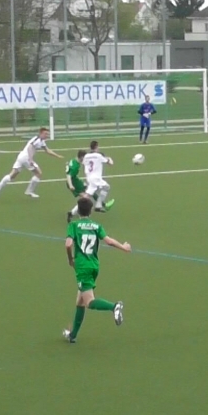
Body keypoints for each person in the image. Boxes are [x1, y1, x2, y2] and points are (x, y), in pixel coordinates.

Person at [62, 196, 132, 344]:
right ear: (91, 211)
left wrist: (70, 259)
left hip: (83, 267)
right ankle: (73, 335)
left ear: (78, 210)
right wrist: (124, 247)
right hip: (94, 265)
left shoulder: (73, 226)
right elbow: (109, 241)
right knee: (80, 301)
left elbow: (68, 244)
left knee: (89, 301)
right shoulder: (96, 226)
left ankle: (114, 307)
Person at [0, 127, 62, 200]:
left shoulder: (42, 141)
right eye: (45, 134)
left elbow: (47, 150)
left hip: (21, 157)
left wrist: (57, 156)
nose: (47, 135)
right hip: (26, 158)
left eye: (47, 134)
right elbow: (30, 147)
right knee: (39, 173)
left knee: (12, 175)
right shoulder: (37, 139)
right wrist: (31, 159)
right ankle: (29, 191)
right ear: (40, 133)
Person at [84, 140, 116, 212]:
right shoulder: (98, 155)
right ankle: (98, 205)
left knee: (87, 196)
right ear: (96, 146)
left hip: (89, 178)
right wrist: (109, 158)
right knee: (106, 187)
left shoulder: (86, 156)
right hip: (96, 178)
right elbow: (110, 163)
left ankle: (74, 211)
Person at [65, 150, 88, 223]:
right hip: (73, 183)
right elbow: (68, 176)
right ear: (81, 157)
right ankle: (72, 213)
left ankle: (77, 211)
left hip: (76, 181)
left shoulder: (74, 160)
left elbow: (68, 166)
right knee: (85, 198)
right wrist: (71, 185)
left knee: (86, 193)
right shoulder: (75, 166)